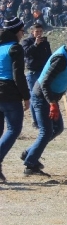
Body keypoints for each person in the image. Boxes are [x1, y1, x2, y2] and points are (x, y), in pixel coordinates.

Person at [22, 30, 67, 176]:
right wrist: (53, 104)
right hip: (42, 97)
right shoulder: (61, 58)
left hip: (51, 98)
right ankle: (30, 165)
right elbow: (44, 83)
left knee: (58, 128)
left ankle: (29, 154)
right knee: (46, 131)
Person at [0, 18, 30, 182]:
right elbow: (18, 75)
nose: (23, 33)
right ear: (16, 31)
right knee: (14, 129)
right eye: (22, 30)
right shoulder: (15, 48)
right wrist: (26, 96)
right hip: (9, 92)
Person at [21, 23, 51, 128]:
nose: (38, 34)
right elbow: (25, 53)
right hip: (33, 73)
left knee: (45, 96)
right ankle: (35, 121)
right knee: (34, 97)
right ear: (32, 31)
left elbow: (49, 56)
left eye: (40, 31)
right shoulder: (26, 42)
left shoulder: (45, 42)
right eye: (36, 31)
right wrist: (35, 44)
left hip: (44, 73)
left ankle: (45, 119)